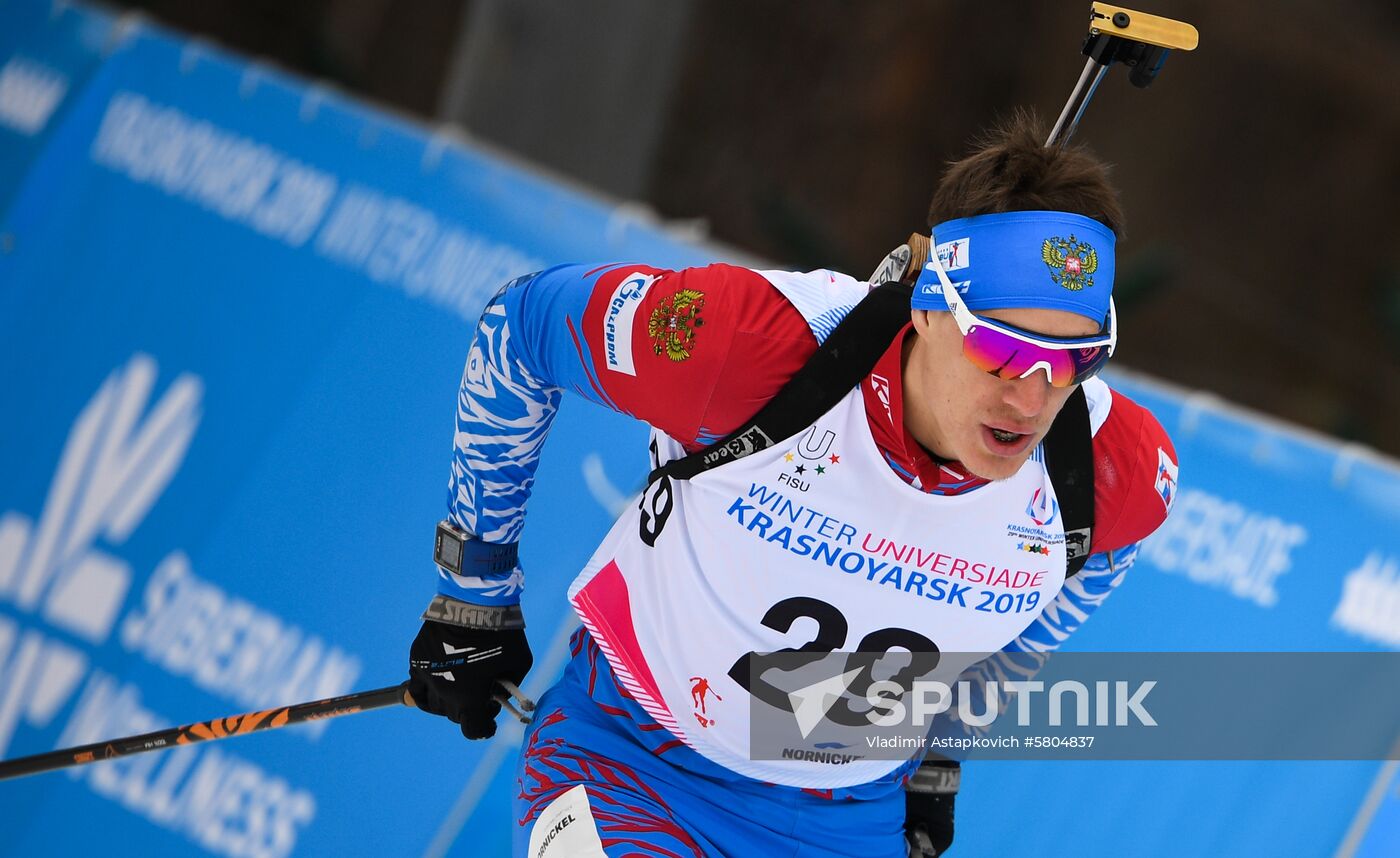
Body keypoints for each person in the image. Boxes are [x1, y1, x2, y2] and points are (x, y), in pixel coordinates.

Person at [407, 113, 1179, 857]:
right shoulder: (744, 344)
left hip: (847, 822)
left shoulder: (1112, 468)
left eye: (1077, 358)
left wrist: (942, 754)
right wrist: (473, 598)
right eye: (1002, 349)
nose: (1033, 395)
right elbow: (523, 328)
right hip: (636, 768)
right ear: (930, 306)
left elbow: (1090, 570)